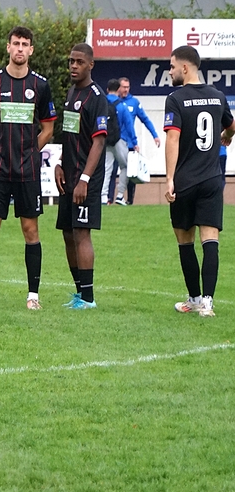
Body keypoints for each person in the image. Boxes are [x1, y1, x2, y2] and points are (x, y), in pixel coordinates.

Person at [0, 25, 56, 310]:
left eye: (24, 44)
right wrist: (1, 149)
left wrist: (29, 150)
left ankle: (33, 297)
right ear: (8, 47)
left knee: (31, 230)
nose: (20, 48)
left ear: (31, 50)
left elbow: (48, 128)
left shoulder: (41, 86)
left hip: (28, 171)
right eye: (15, 43)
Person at [163, 45, 234, 318]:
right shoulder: (218, 96)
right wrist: (227, 136)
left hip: (186, 181)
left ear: (185, 67)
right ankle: (207, 303)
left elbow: (173, 138)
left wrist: (169, 179)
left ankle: (193, 298)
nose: (170, 71)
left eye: (172, 66)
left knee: (185, 241)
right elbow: (231, 125)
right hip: (212, 179)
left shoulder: (175, 99)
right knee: (210, 240)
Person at [54, 44, 109, 310]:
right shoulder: (71, 92)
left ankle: (88, 298)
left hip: (86, 178)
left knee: (81, 232)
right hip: (69, 174)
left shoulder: (97, 97)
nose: (73, 66)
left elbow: (99, 142)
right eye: (71, 61)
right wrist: (60, 163)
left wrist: (85, 179)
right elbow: (69, 133)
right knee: (68, 232)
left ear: (90, 65)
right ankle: (79, 292)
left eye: (79, 62)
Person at [116, 76, 160, 205]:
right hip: (114, 141)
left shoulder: (134, 102)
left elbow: (145, 119)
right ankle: (107, 199)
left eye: (127, 87)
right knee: (111, 170)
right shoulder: (114, 102)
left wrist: (155, 135)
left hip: (129, 143)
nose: (126, 90)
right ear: (118, 88)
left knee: (131, 171)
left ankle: (129, 200)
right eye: (123, 87)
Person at [100, 79, 128, 205]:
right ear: (118, 90)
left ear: (107, 89)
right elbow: (128, 125)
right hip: (119, 140)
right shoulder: (121, 105)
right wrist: (134, 142)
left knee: (107, 168)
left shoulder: (102, 103)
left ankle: (103, 196)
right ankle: (120, 195)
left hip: (106, 139)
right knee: (125, 166)